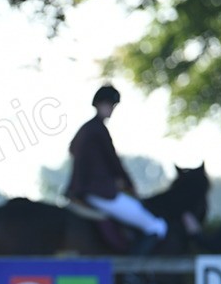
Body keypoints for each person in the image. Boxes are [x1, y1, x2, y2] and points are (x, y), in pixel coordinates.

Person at [66, 84, 168, 254]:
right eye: (109, 104)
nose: (111, 109)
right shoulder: (98, 130)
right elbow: (114, 163)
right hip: (101, 193)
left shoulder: (86, 129)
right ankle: (132, 271)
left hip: (87, 190)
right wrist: (128, 185)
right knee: (156, 226)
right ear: (98, 104)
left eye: (112, 106)